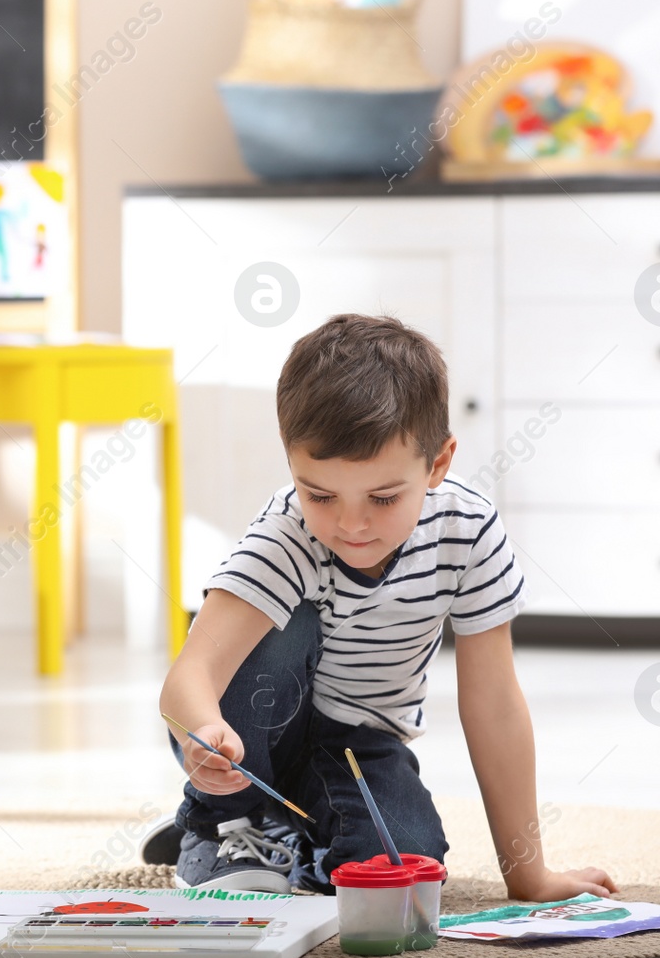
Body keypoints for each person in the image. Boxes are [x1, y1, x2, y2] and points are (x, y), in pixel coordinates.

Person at [145, 314, 617, 901]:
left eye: (384, 497)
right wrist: (204, 734)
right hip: (251, 731)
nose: (351, 523)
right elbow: (189, 677)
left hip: (359, 744)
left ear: (438, 464)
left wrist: (528, 874)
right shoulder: (286, 535)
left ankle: (288, 835)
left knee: (403, 870)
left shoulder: (467, 530)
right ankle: (220, 823)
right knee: (281, 622)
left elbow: (493, 701)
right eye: (320, 494)